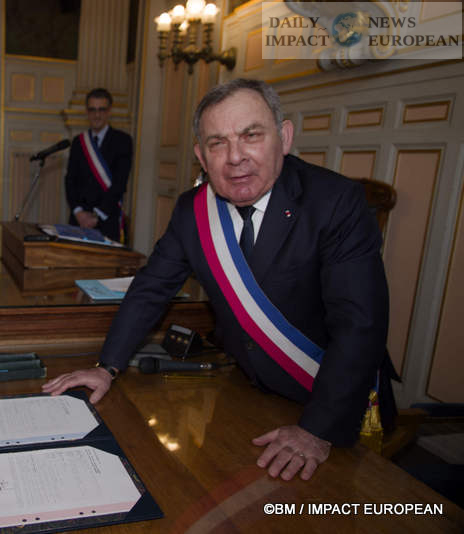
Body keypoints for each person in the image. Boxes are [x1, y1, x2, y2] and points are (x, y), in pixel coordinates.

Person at [44, 78, 397, 482]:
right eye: (217, 143)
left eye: (251, 136)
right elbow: (151, 288)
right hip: (252, 395)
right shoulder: (192, 211)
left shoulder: (335, 202)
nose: (235, 157)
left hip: (334, 406)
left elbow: (360, 324)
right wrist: (106, 366)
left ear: (283, 138)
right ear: (201, 155)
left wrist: (317, 429)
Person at [64, 88, 132, 242]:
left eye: (102, 109)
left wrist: (97, 215)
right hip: (79, 220)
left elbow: (120, 183)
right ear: (87, 112)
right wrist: (78, 212)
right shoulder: (78, 142)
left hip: (106, 220)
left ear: (109, 111)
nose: (97, 115)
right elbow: (70, 180)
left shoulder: (123, 141)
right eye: (92, 110)